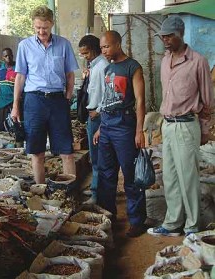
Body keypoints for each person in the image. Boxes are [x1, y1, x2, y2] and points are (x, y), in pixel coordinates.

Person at [147, 16, 213, 237]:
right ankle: (173, 223)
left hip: (186, 126)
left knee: (189, 177)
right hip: (168, 125)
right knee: (171, 176)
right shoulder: (165, 60)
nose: (165, 40)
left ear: (180, 35)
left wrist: (204, 130)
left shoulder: (198, 61)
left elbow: (207, 101)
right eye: (163, 36)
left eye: (169, 36)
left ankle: (193, 226)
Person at [11, 5, 79, 184]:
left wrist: (68, 96)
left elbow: (70, 74)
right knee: (37, 152)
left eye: (45, 28)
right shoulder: (24, 46)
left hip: (58, 100)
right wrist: (15, 106)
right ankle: (40, 191)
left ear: (52, 25)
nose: (42, 31)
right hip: (34, 101)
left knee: (67, 151)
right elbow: (20, 77)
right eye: (38, 27)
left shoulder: (63, 44)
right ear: (33, 25)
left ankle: (69, 192)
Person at [94, 30, 147, 237]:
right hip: (107, 125)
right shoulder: (108, 69)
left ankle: (136, 221)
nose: (104, 51)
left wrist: (139, 131)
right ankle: (108, 214)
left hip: (125, 126)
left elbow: (141, 101)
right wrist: (100, 127)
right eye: (101, 48)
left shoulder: (133, 67)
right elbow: (107, 100)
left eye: (106, 47)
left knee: (130, 174)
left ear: (117, 44)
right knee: (106, 174)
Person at [78, 35, 109, 204]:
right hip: (93, 117)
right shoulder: (94, 66)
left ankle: (98, 196)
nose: (85, 56)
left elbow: (108, 93)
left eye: (87, 53)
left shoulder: (103, 66)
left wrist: (98, 111)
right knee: (95, 158)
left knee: (98, 159)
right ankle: (96, 191)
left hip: (99, 118)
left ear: (95, 49)